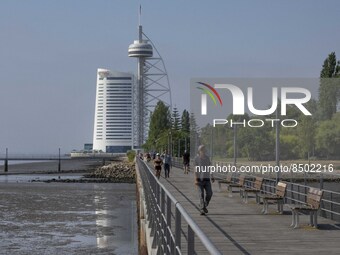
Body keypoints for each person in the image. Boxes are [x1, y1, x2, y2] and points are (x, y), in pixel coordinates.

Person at [194, 145, 215, 215]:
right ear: (199, 151)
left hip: (207, 180)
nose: (204, 151)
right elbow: (195, 170)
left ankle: (204, 205)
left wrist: (212, 176)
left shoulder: (207, 158)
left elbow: (210, 167)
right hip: (200, 180)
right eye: (202, 150)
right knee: (201, 194)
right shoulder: (196, 159)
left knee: (210, 193)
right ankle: (202, 209)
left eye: (204, 150)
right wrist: (196, 179)